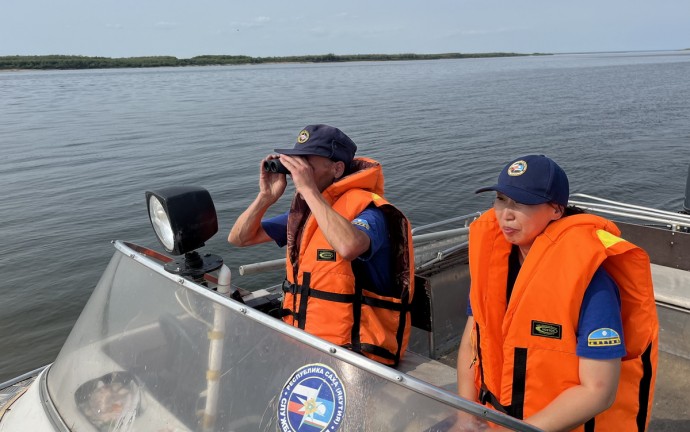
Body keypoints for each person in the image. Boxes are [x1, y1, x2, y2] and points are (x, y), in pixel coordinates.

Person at [455, 155, 658, 431]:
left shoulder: (590, 282)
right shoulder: (494, 265)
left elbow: (598, 390)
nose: (506, 214)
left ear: (556, 210)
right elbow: (471, 340)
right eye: (501, 199)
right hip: (496, 419)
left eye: (522, 202)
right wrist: (465, 416)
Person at [228, 124, 414, 366]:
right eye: (296, 163)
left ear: (337, 168)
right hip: (307, 343)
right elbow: (239, 238)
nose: (298, 172)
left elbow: (349, 246)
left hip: (357, 355)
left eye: (307, 164)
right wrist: (266, 197)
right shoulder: (306, 215)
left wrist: (308, 189)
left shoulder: (372, 212)